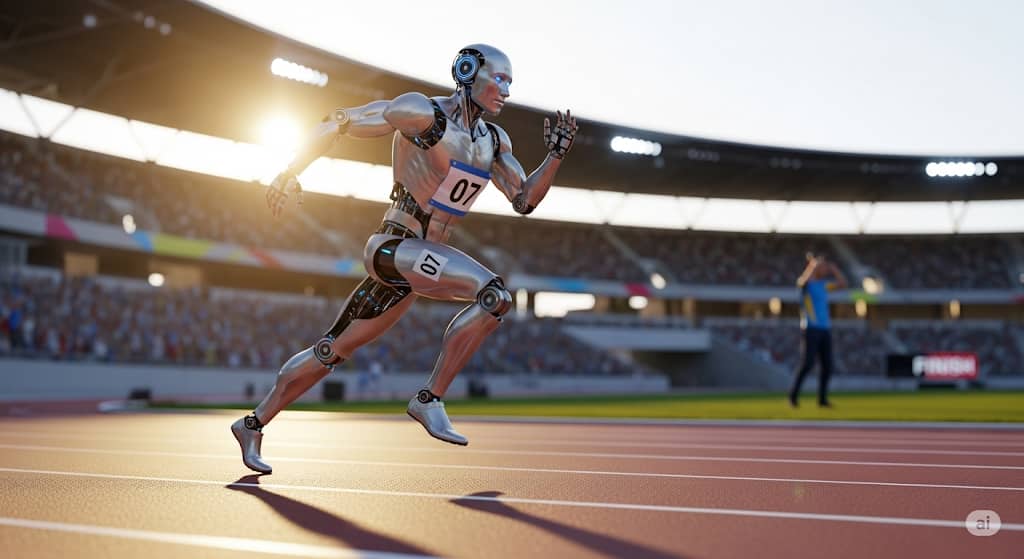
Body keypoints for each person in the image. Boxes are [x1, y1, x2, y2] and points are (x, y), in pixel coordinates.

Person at [231, 44, 578, 474]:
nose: (506, 90)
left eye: (510, 82)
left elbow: (524, 200)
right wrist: (288, 172)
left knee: (331, 350)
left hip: (418, 266)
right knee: (494, 296)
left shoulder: (493, 141)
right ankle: (429, 399)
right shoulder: (422, 113)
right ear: (468, 71)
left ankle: (252, 424)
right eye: (499, 79)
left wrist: (555, 157)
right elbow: (339, 120)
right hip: (393, 248)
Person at [788, 253, 847, 408]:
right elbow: (802, 282)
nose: (825, 270)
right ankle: (793, 396)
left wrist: (834, 269)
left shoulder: (823, 285)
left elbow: (843, 284)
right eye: (823, 267)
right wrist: (813, 266)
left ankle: (822, 399)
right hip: (811, 328)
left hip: (825, 329)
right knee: (807, 364)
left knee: (827, 366)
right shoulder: (807, 285)